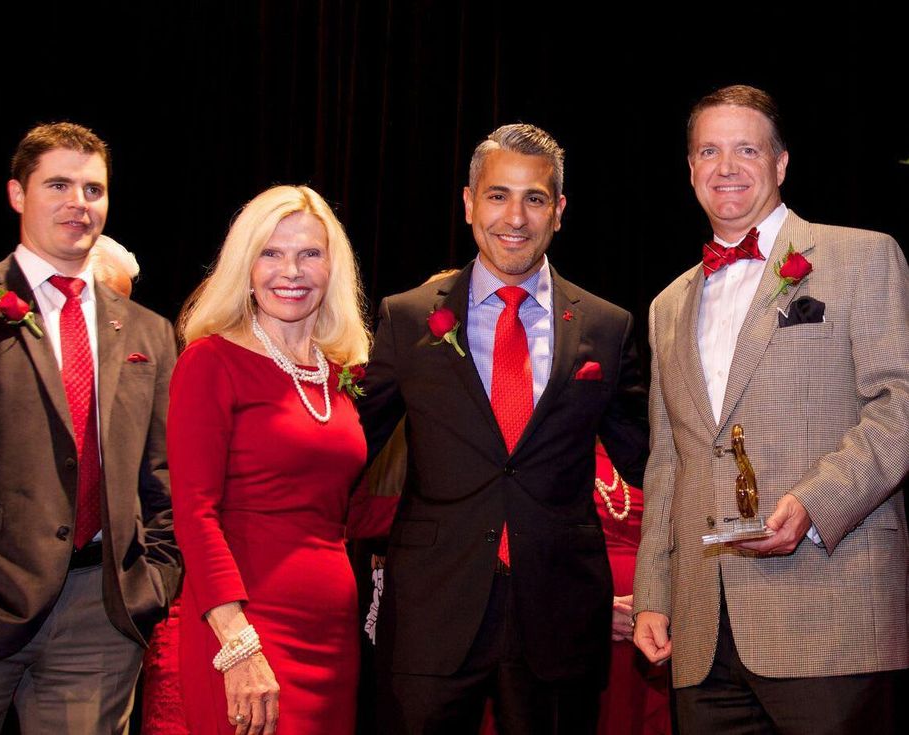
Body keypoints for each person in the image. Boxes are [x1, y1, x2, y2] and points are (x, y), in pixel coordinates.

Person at [633, 85, 909, 734]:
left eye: (746, 149)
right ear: (691, 169)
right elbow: (667, 458)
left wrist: (815, 502)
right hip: (704, 636)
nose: (725, 166)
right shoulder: (667, 304)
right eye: (708, 150)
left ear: (781, 164)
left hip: (830, 614)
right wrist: (653, 595)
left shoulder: (862, 257)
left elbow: (899, 406)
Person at [358, 123, 649, 734]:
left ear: (559, 211)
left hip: (560, 615)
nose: (514, 216)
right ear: (468, 203)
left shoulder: (607, 327)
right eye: (497, 195)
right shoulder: (408, 317)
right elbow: (347, 448)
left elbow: (654, 462)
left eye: (535, 198)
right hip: (432, 613)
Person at [0, 122, 180, 734]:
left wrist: (157, 577)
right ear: (18, 194)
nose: (78, 203)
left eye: (93, 189)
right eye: (59, 185)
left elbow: (162, 471)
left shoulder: (148, 331)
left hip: (102, 612)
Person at [168, 185, 370, 734]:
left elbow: (345, 506)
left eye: (309, 253)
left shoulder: (339, 374)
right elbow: (194, 512)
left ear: (333, 268)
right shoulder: (211, 361)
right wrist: (237, 642)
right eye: (271, 253)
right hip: (244, 628)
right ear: (246, 266)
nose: (292, 271)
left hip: (332, 631)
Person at [593, 442, 671, 735]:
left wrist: (658, 598)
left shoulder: (653, 445)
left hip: (655, 623)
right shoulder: (560, 440)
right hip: (580, 624)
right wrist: (592, 607)